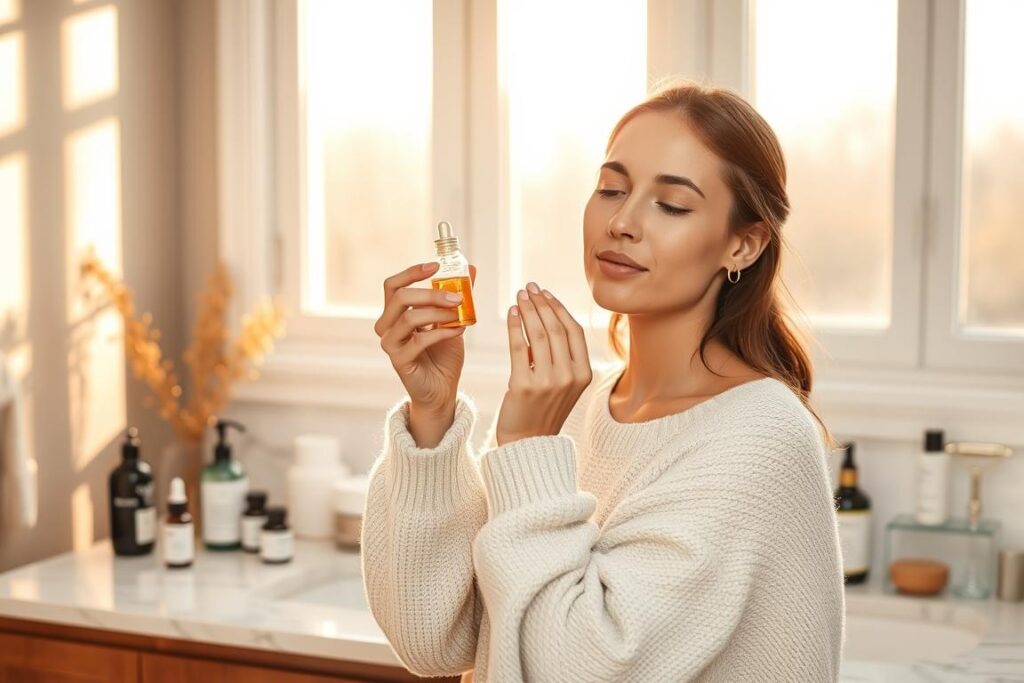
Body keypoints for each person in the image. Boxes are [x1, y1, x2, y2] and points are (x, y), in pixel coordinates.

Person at [363, 80, 845, 682]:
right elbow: (436, 635)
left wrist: (528, 447)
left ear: (743, 245)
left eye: (670, 205)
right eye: (612, 189)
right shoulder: (582, 405)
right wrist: (431, 417)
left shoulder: (761, 438)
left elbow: (578, 667)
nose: (620, 221)